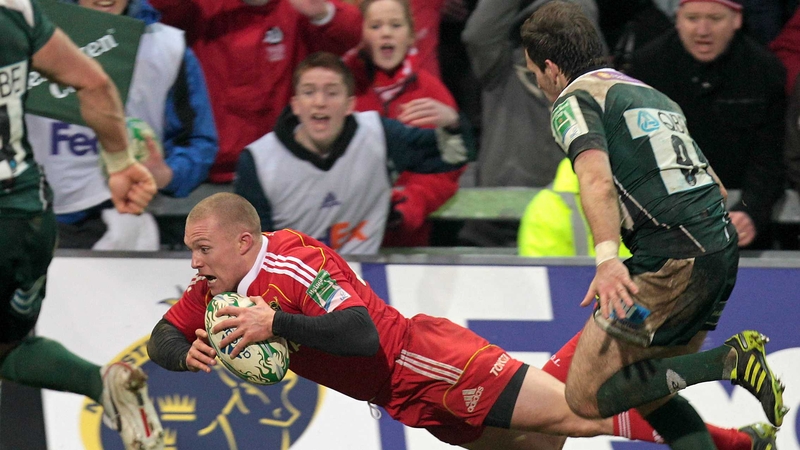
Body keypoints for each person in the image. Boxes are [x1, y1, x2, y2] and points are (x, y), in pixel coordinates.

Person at [147, 192, 614, 449]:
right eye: (192, 250)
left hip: (421, 361)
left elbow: (361, 334)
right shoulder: (214, 287)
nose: (194, 262)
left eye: (203, 249)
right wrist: (186, 354)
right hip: (398, 397)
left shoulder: (294, 263)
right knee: (541, 446)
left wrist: (276, 325)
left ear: (244, 243)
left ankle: (649, 373)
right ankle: (608, 331)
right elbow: (161, 336)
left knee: (581, 417)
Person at [520, 2, 787, 449]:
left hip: (670, 258)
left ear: (550, 68)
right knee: (649, 388)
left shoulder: (574, 100)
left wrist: (608, 259)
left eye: (534, 73)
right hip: (717, 250)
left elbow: (595, 179)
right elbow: (717, 187)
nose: (538, 83)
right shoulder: (651, 94)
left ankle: (729, 361)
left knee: (585, 395)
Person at [518, 160, 779, 449]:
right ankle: (744, 440)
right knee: (639, 396)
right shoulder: (637, 163)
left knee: (589, 402)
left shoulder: (596, 170)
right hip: (666, 281)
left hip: (640, 294)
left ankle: (734, 394)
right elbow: (717, 190)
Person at [0, 0, 163, 448]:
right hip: (28, 216)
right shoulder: (17, 11)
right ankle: (104, 384)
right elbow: (93, 82)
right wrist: (120, 163)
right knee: (8, 347)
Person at [26, 0, 218, 251]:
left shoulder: (168, 47)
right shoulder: (24, 39)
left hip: (129, 222)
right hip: (31, 221)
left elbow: (198, 142)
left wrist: (166, 174)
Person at [233, 52, 470, 254]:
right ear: (295, 104)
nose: (320, 102)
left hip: (364, 280)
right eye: (309, 92)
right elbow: (252, 255)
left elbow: (454, 157)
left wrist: (453, 124)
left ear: (350, 105)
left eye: (332, 92)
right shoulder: (259, 162)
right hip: (292, 284)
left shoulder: (379, 136)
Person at [625, 0, 786, 250]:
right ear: (678, 20)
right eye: (692, 19)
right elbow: (636, 152)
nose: (702, 30)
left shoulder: (765, 70)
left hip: (740, 230)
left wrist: (750, 211)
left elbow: (770, 156)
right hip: (664, 225)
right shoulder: (646, 67)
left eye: (714, 19)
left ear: (736, 20)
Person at [148, 0, 363, 183]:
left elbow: (352, 33)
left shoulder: (298, 9)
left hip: (281, 170)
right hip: (203, 174)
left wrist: (323, 13)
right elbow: (151, 12)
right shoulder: (200, 9)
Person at [457, 0, 596, 248]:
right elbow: (478, 34)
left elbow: (587, 26)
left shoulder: (588, 82)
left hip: (565, 221)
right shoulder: (500, 68)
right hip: (497, 222)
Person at [343, 0, 466, 247]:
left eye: (396, 25)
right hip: (342, 239)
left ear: (411, 36)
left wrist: (407, 206)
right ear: (361, 36)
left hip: (407, 242)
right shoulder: (342, 88)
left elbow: (447, 170)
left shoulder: (430, 92)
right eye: (375, 26)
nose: (386, 33)